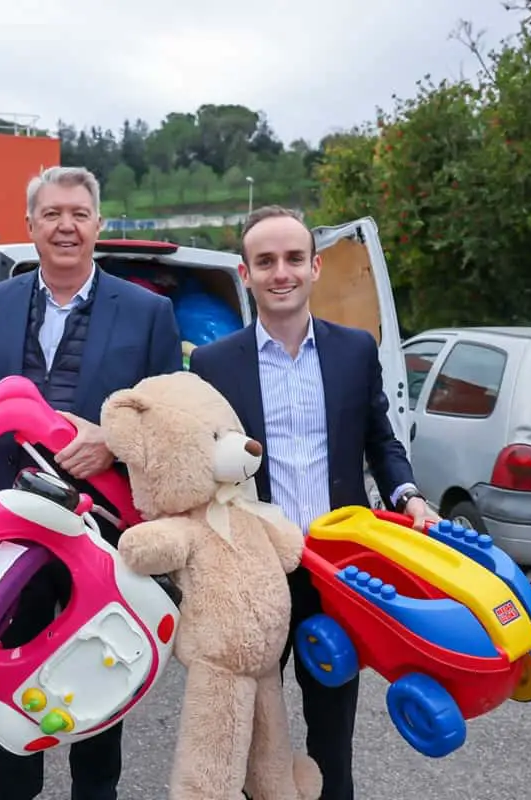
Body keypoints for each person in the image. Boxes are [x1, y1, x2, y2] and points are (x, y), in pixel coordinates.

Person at [0, 165, 183, 800]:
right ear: (31, 225)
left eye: (79, 214)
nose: (66, 226)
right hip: (3, 532)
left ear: (99, 225)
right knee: (2, 677)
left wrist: (111, 440)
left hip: (104, 535)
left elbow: (171, 427)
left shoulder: (149, 312)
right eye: (52, 214)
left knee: (98, 678)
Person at [188, 205, 438, 800]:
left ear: (315, 267)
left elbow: (381, 441)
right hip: (253, 576)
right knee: (257, 739)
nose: (282, 272)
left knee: (332, 735)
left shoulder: (355, 351)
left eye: (294, 259)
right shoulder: (213, 363)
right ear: (245, 275)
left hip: (337, 573)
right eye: (266, 261)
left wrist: (410, 496)